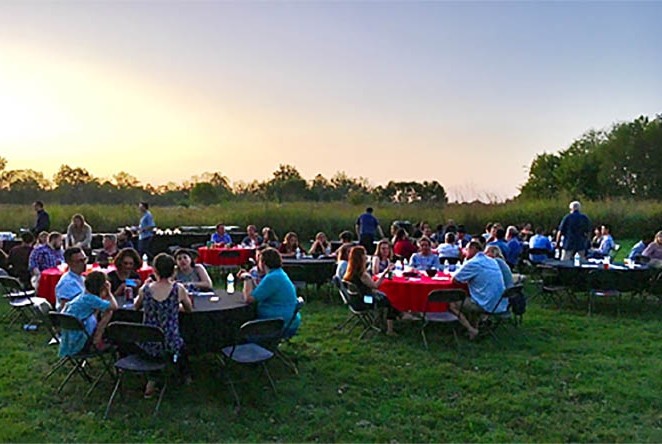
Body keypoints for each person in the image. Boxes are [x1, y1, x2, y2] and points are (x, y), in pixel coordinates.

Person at [134, 253, 193, 395]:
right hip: (170, 340)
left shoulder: (146, 289)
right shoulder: (178, 289)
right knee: (186, 342)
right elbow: (189, 309)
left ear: (154, 270)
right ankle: (186, 376)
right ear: (173, 270)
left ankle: (153, 380)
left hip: (148, 340)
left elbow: (136, 306)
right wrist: (175, 306)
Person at [451, 240, 507, 339]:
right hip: (499, 302)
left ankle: (471, 329)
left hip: (486, 304)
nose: (465, 252)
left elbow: (455, 280)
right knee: (474, 298)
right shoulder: (492, 260)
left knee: (452, 304)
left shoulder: (474, 263)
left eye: (467, 249)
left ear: (473, 249)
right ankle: (474, 329)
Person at [242, 248, 301, 337]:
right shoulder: (279, 274)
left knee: (242, 331)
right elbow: (261, 292)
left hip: (276, 324)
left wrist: (247, 278)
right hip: (288, 319)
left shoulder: (272, 278)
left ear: (263, 263)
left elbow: (249, 299)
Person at [59, 271, 117, 356]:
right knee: (109, 312)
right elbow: (114, 306)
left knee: (98, 311)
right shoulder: (92, 299)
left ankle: (97, 339)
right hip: (81, 342)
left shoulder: (82, 296)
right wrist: (109, 292)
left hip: (69, 341)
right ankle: (97, 340)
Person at [343, 246, 397, 336]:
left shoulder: (351, 271)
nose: (366, 256)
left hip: (354, 300)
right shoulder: (362, 274)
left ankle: (379, 321)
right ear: (360, 257)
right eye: (364, 254)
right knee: (389, 300)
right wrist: (385, 273)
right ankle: (389, 330)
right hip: (365, 301)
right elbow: (375, 286)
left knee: (382, 296)